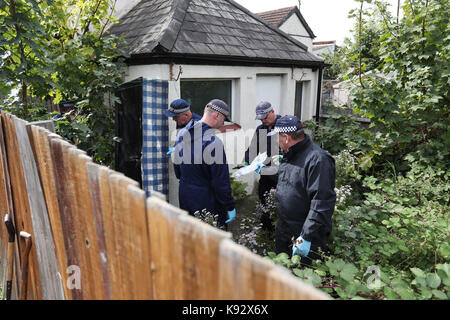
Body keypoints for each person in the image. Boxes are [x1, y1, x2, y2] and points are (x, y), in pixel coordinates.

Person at [268, 115, 336, 266]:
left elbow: (322, 202)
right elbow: (292, 184)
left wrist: (306, 236)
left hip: (304, 234)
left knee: (303, 279)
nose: (277, 141)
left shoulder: (318, 160)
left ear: (286, 138)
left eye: (277, 137)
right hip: (285, 229)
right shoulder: (291, 155)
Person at [172, 99, 236, 230]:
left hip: (185, 195)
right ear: (217, 115)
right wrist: (229, 206)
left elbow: (177, 169)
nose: (223, 123)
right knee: (212, 241)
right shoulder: (213, 142)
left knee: (190, 237)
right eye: (224, 119)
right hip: (206, 200)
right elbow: (220, 182)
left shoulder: (182, 133)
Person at [243, 101, 281, 230]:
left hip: (282, 174)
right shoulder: (261, 129)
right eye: (260, 119)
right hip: (266, 173)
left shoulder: (284, 126)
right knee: (264, 199)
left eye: (265, 117)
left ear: (272, 112)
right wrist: (246, 161)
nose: (263, 121)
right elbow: (254, 147)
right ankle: (267, 229)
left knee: (282, 203)